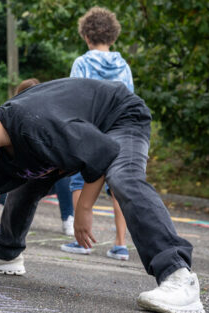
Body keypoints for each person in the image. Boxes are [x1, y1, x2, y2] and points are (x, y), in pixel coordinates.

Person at [0, 78, 204, 313]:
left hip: (118, 117)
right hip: (82, 135)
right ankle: (5, 254)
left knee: (123, 177)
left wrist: (84, 208)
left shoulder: (37, 125)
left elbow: (102, 152)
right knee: (25, 181)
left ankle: (178, 275)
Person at [60, 7, 133, 260]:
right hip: (117, 133)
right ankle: (121, 244)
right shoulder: (123, 65)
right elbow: (129, 100)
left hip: (89, 132)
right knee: (117, 189)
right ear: (112, 37)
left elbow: (73, 97)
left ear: (86, 36)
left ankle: (83, 241)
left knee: (80, 181)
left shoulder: (82, 63)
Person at [0, 78, 75, 235]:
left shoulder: (48, 121)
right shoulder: (9, 118)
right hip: (23, 174)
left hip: (47, 174)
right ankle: (17, 207)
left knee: (64, 174)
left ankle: (68, 217)